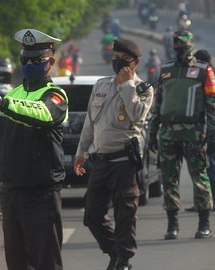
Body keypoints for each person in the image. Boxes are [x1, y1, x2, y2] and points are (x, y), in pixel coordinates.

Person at [0, 28, 68, 270]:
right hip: (12, 193)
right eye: (24, 59)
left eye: (36, 60)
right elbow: (0, 142)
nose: (29, 64)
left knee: (45, 262)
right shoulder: (14, 94)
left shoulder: (55, 95)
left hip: (40, 193)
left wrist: (4, 104)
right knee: (16, 263)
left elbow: (42, 114)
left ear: (50, 62)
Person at [74, 38, 153, 270]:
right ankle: (114, 252)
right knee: (92, 216)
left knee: (125, 214)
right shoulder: (100, 85)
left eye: (123, 59)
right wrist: (82, 151)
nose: (117, 62)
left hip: (123, 162)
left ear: (135, 62)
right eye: (114, 57)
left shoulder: (143, 89)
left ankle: (123, 260)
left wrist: (127, 86)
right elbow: (91, 121)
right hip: (100, 161)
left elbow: (138, 115)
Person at [148, 30, 215, 240]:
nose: (179, 50)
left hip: (194, 132)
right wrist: (153, 131)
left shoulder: (203, 71)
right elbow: (158, 103)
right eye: (176, 46)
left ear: (190, 47)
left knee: (199, 177)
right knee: (169, 180)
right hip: (168, 132)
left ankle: (204, 222)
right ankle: (173, 224)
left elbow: (213, 101)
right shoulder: (166, 70)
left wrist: (213, 129)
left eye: (183, 46)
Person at [184, 49, 215, 213]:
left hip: (208, 129)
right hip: (200, 128)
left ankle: (213, 201)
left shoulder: (209, 78)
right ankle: (201, 201)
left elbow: (213, 107)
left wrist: (211, 130)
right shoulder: (205, 77)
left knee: (209, 166)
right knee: (198, 168)